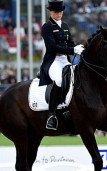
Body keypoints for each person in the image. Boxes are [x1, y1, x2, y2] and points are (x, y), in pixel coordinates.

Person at [39, 0, 84, 130]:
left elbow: (70, 42)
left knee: (76, 79)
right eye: (56, 12)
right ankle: (51, 115)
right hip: (53, 60)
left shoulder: (65, 25)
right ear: (51, 12)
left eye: (60, 12)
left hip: (65, 60)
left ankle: (70, 107)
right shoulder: (47, 27)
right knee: (59, 80)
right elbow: (52, 47)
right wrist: (72, 50)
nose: (58, 14)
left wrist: (77, 48)